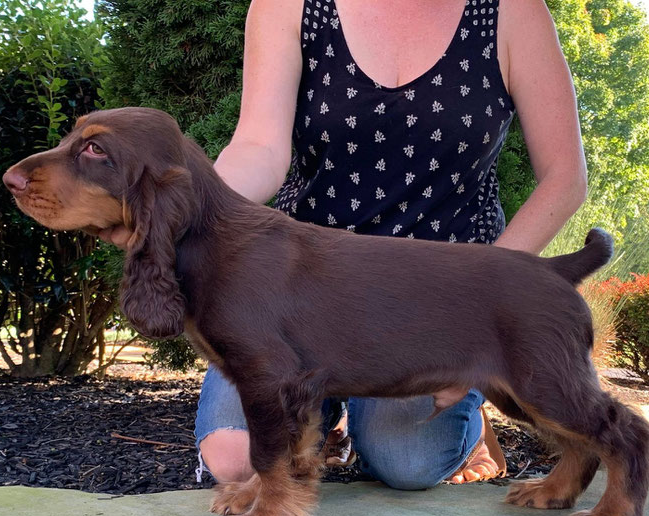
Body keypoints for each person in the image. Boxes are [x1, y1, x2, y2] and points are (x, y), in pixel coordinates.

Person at [103, 0, 587, 490]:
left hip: (442, 297)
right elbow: (259, 147)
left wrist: (483, 312)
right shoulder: (288, 6)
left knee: (405, 464)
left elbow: (564, 179)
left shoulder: (511, 12)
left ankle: (467, 423)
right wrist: (185, 212)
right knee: (236, 459)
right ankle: (325, 412)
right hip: (298, 287)